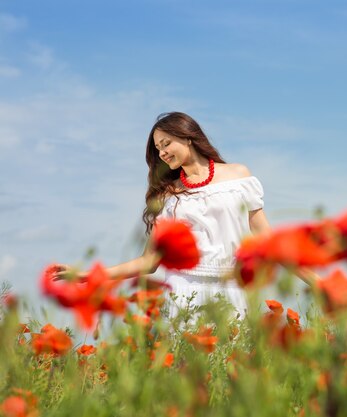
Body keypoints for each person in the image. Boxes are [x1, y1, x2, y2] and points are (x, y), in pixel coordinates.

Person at [55, 111, 318, 318]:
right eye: (158, 148)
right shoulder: (168, 196)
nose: (162, 152)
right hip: (185, 293)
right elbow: (149, 262)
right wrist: (88, 275)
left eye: (166, 143)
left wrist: (318, 283)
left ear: (188, 136)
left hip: (234, 289)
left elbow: (270, 243)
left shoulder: (239, 177)